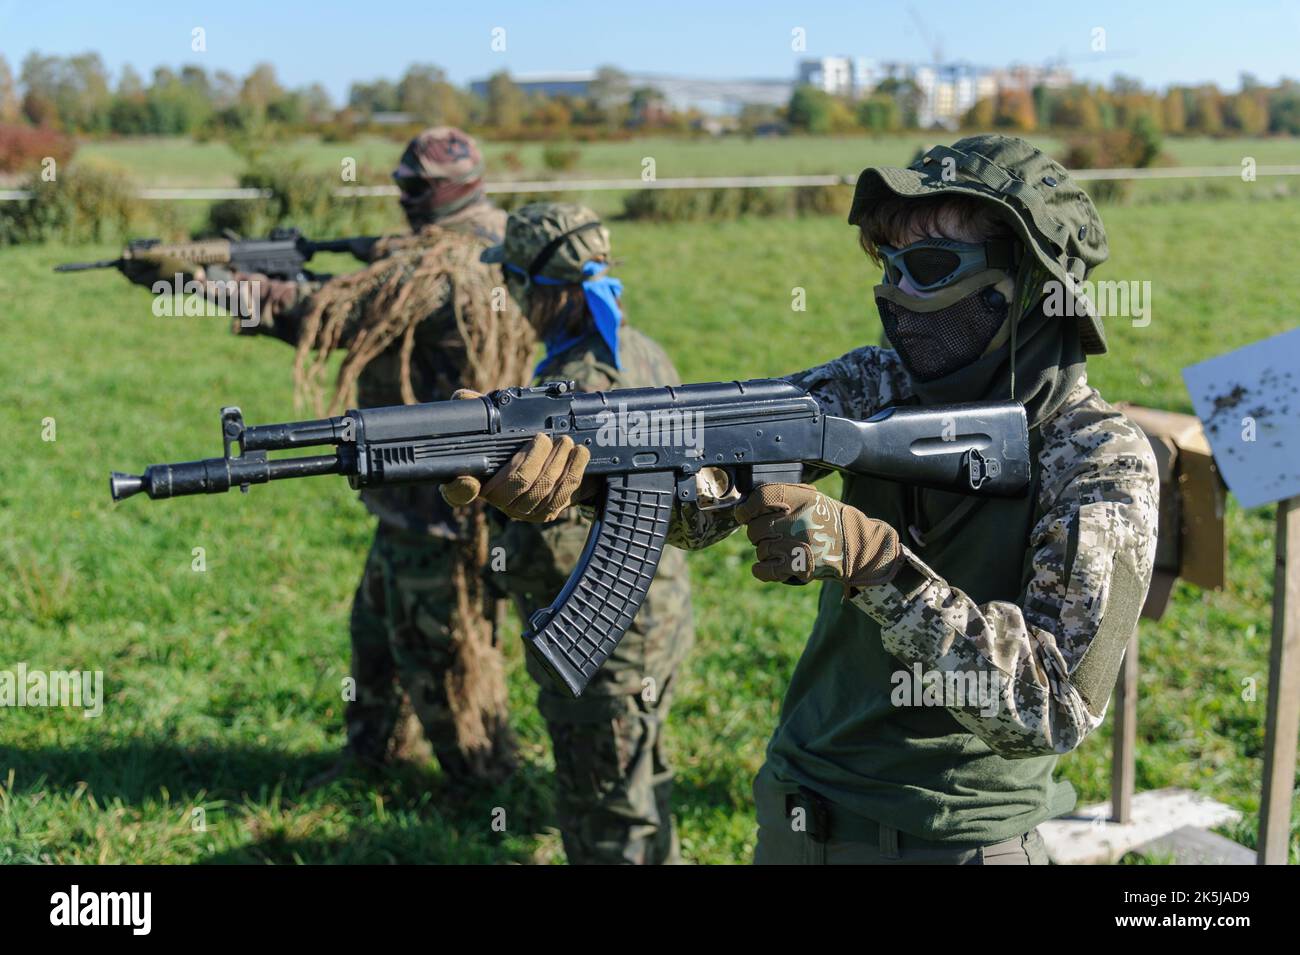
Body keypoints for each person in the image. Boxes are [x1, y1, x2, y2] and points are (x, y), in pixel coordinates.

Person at [442, 136, 1160, 864]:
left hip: (957, 840)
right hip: (800, 805)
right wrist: (587, 476)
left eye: (932, 267)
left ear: (1033, 280)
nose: (898, 294)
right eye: (890, 265)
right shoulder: (879, 384)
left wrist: (876, 563)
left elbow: (1053, 708)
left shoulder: (1099, 457)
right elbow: (709, 498)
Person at [125, 127, 533, 783]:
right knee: (374, 631)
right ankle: (373, 758)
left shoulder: (453, 263)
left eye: (416, 184)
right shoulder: (483, 240)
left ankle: (485, 793)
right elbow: (364, 279)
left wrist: (197, 281)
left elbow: (323, 311)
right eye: (400, 182)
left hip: (446, 492)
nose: (403, 196)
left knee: (443, 651)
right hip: (415, 484)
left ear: (454, 184)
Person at [442, 202, 696, 863]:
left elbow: (553, 543)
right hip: (656, 615)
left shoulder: (574, 387)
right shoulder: (638, 349)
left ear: (544, 288)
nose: (513, 301)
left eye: (516, 284)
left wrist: (500, 531)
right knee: (641, 780)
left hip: (605, 641)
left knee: (607, 818)